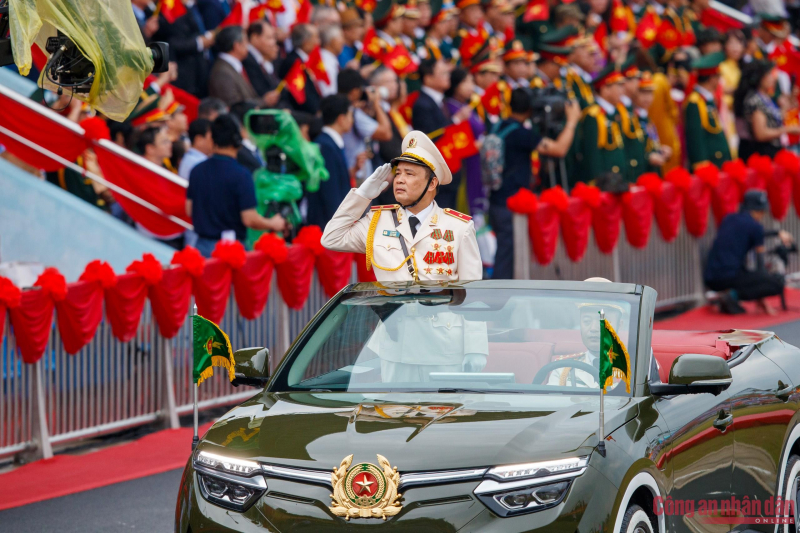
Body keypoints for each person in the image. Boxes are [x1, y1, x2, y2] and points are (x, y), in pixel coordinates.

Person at [321, 130, 483, 282]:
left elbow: (471, 293)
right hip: (393, 313)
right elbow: (331, 238)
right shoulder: (376, 221)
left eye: (409, 174)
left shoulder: (459, 228)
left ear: (432, 183)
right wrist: (361, 197)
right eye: (398, 173)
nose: (399, 179)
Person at [490, 88, 581, 280]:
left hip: (497, 200)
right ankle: (498, 301)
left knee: (506, 253)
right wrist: (571, 122)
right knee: (507, 258)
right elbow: (559, 149)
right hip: (510, 206)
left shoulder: (500, 126)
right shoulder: (522, 134)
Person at [186, 114, 286, 257]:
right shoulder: (241, 175)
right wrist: (273, 223)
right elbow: (249, 218)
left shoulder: (197, 170)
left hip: (201, 248)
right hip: (231, 251)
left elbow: (189, 209)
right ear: (237, 140)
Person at [704, 190, 789, 315]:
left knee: (748, 274)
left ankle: (727, 295)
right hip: (730, 276)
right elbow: (761, 268)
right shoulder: (756, 227)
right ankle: (732, 296)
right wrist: (761, 291)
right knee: (776, 283)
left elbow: (748, 232)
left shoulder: (729, 218)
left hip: (711, 278)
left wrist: (776, 233)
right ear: (760, 211)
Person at [306, 95, 360, 229]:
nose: (352, 121)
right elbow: (330, 192)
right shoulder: (325, 147)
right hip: (328, 227)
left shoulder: (330, 144)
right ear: (341, 119)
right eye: (350, 116)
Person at [546, 298, 625, 389]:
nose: (593, 328)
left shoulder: (634, 369)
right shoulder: (563, 369)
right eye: (587, 321)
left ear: (619, 326)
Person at [734, 60, 800, 161]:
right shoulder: (754, 100)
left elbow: (775, 119)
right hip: (762, 153)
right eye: (769, 74)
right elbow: (761, 134)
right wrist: (787, 130)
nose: (773, 78)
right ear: (759, 78)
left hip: (772, 149)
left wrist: (787, 104)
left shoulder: (765, 96)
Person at [575, 63, 627, 185]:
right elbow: (592, 154)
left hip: (618, 180)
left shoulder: (615, 112)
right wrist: (596, 182)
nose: (622, 90)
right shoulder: (593, 115)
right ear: (605, 89)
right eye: (618, 86)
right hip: (604, 182)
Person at [684, 51, 731, 170]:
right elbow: (696, 138)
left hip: (719, 162)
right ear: (712, 79)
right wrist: (702, 167)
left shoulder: (707, 100)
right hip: (710, 166)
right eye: (718, 77)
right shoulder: (695, 102)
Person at [167, 1, 214, 97]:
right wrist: (199, 42)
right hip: (186, 75)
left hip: (201, 69)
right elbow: (174, 43)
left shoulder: (193, 6)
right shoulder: (174, 8)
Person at [208, 26, 258, 106]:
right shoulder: (222, 72)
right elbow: (234, 106)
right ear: (237, 45)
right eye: (246, 41)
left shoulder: (234, 65)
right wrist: (264, 102)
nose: (248, 45)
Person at [279, 24, 323, 114]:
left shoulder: (304, 59)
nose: (318, 42)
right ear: (306, 42)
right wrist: (317, 112)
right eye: (316, 37)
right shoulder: (293, 62)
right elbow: (301, 95)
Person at [244, 20, 282, 105]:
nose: (274, 43)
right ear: (255, 37)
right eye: (269, 38)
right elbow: (262, 92)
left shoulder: (262, 58)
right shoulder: (248, 60)